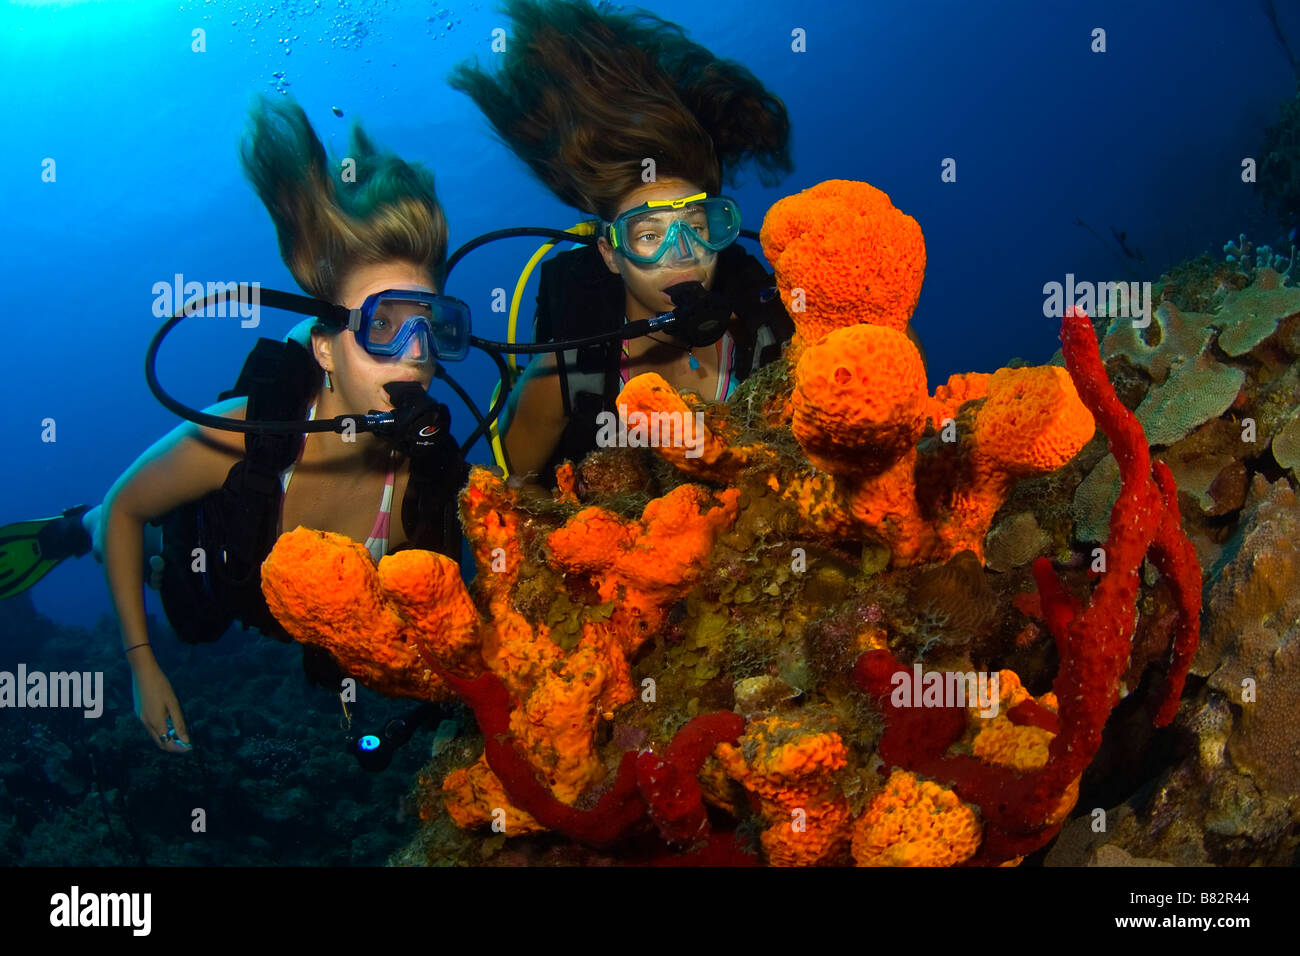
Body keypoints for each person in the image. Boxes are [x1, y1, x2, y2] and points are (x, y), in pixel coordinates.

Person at [0, 98, 467, 752]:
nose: (416, 355)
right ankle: (74, 529)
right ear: (326, 349)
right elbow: (133, 506)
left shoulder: (432, 474)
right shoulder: (241, 432)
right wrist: (142, 666)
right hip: (215, 563)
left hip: (292, 608)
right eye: (384, 327)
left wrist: (350, 677)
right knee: (165, 579)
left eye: (433, 327)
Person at [449, 0, 796, 485]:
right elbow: (518, 495)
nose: (682, 251)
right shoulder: (567, 373)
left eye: (697, 226)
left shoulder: (765, 330)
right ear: (611, 254)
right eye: (650, 234)